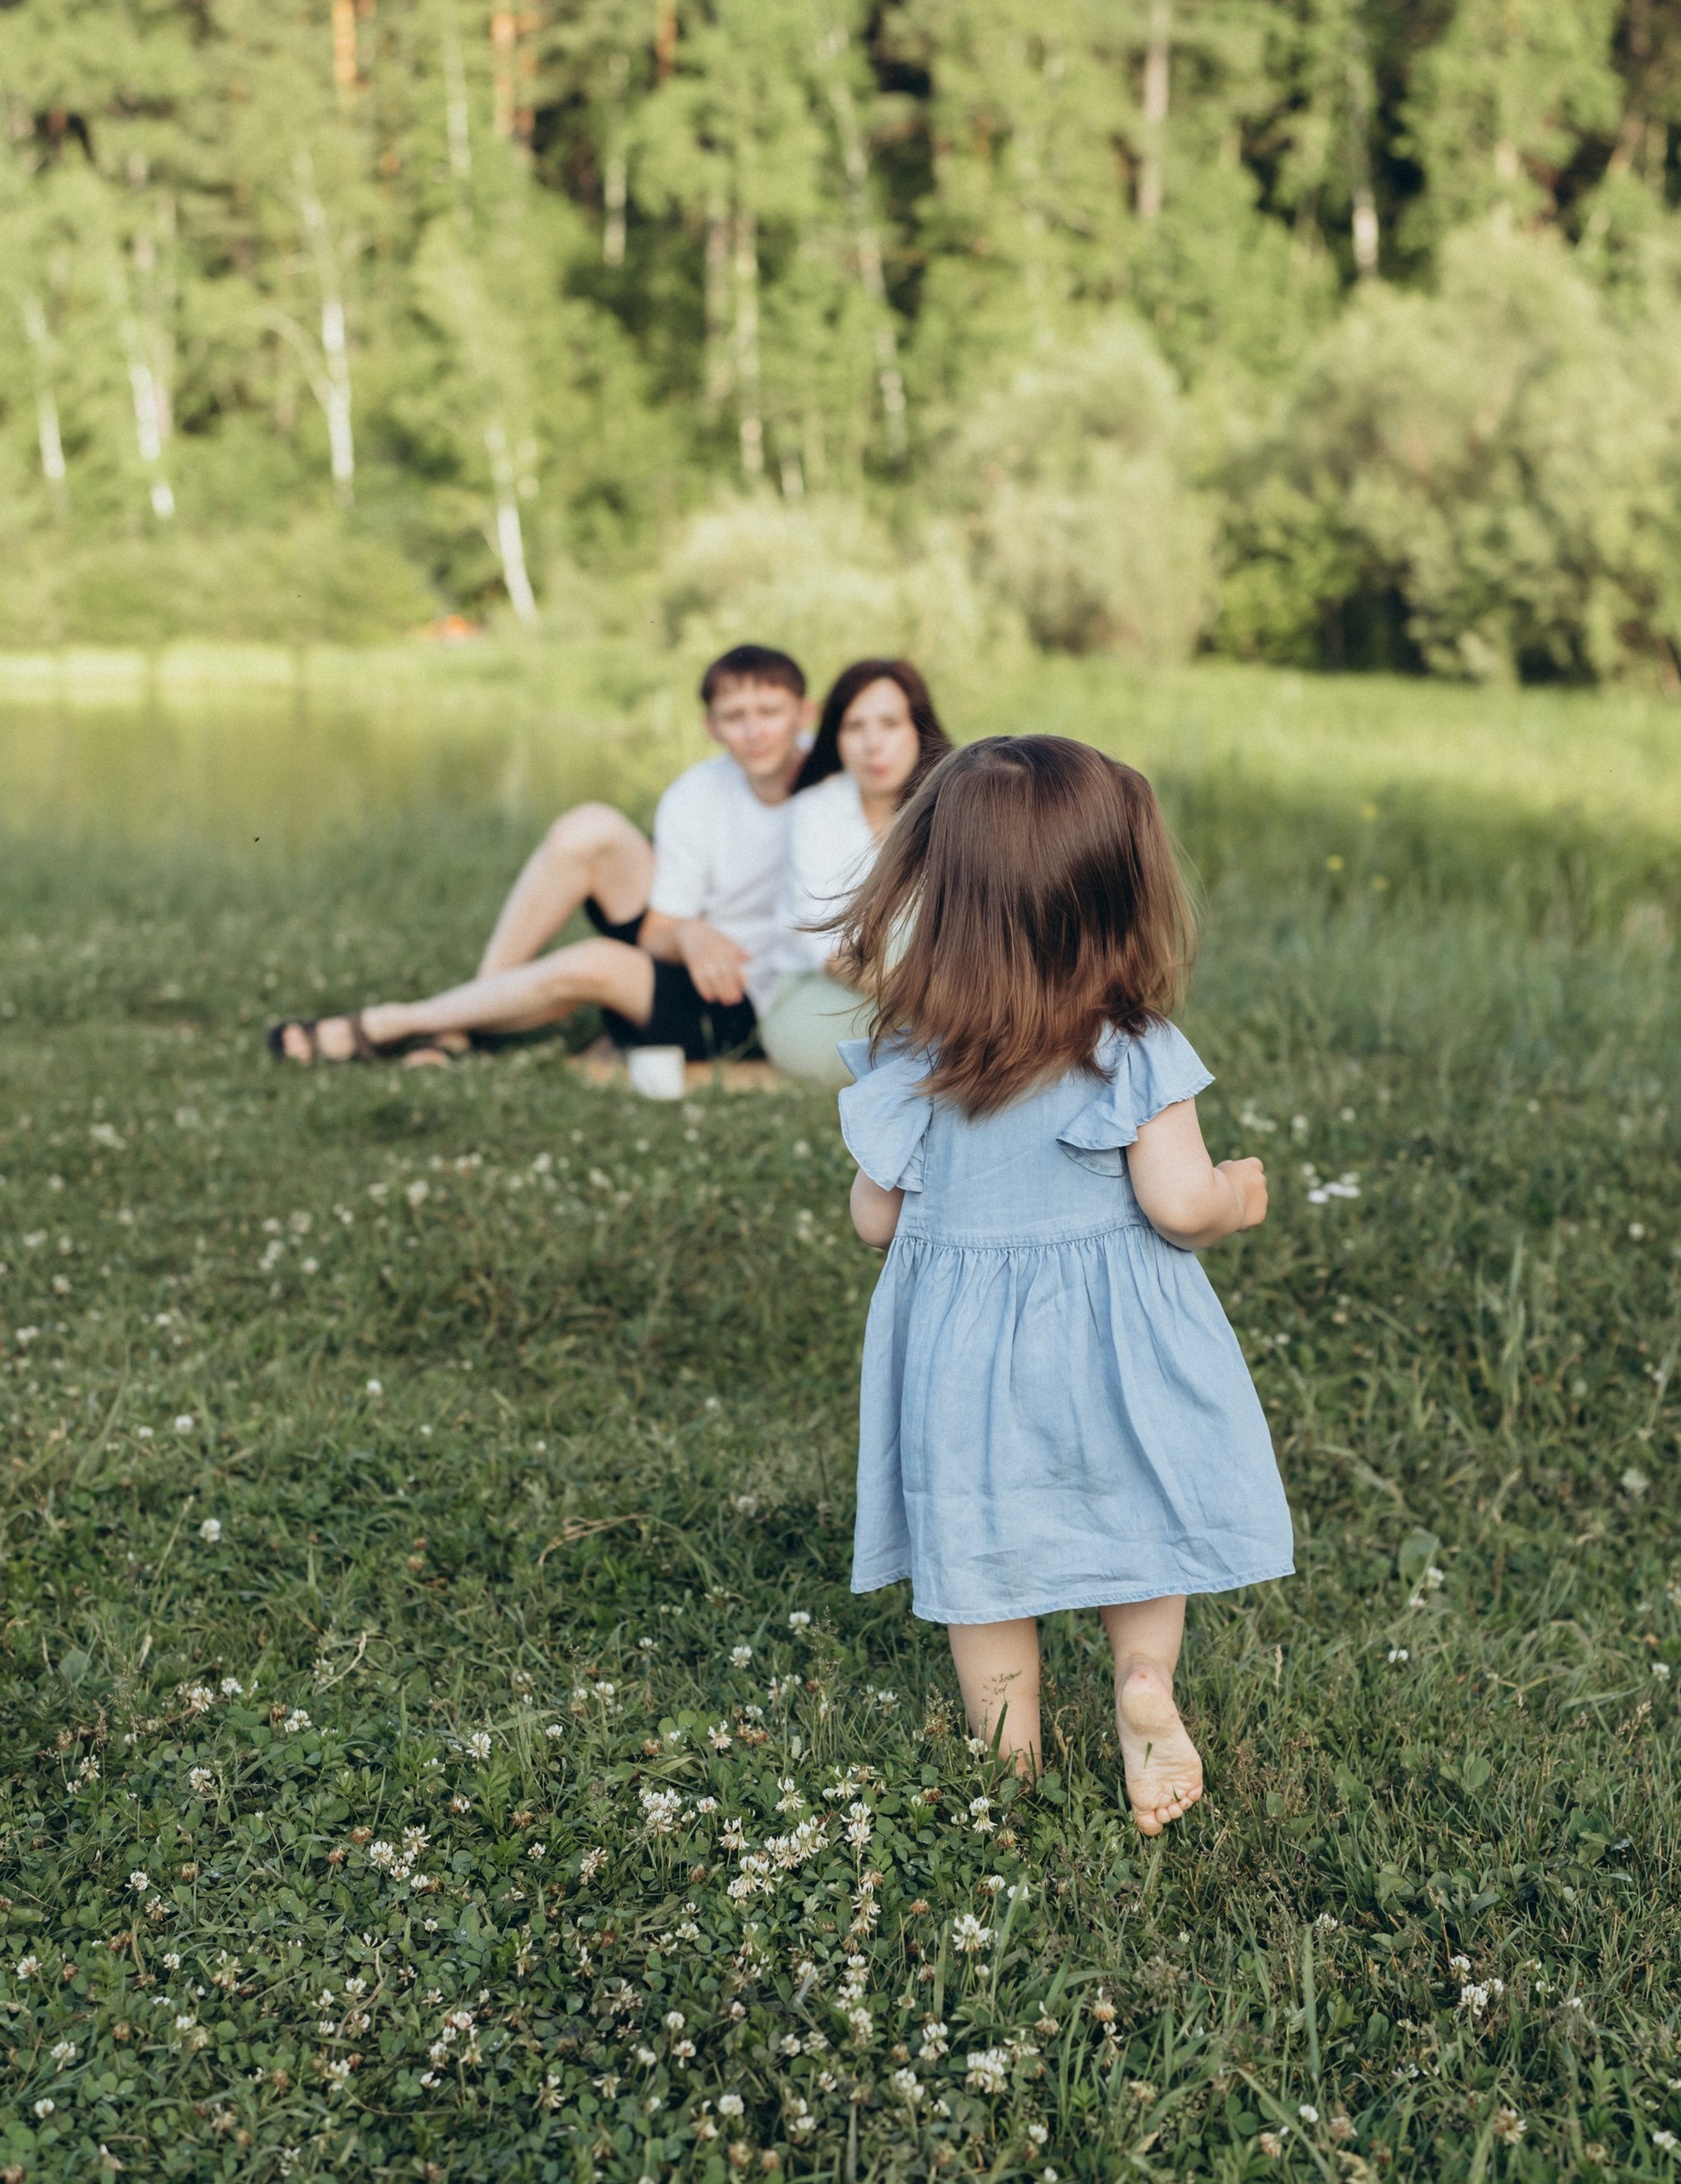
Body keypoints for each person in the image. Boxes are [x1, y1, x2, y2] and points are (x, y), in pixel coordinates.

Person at [833, 734, 1292, 1831]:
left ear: (939, 899)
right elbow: (1177, 1203)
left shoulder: (916, 1054)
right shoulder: (1132, 1046)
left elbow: (871, 1216)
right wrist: (1235, 1194)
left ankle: (1011, 1760)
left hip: (963, 1359)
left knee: (979, 1551)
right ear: (1111, 897)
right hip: (1115, 1346)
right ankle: (1141, 1681)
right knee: (1136, 1511)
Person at [265, 644, 807, 1071]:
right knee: (587, 828)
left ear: (805, 715)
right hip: (694, 968)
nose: (755, 731)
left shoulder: (840, 788)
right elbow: (658, 930)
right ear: (710, 727)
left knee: (592, 961)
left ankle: (391, 1023)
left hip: (758, 1001)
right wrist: (689, 934)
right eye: (735, 716)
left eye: (770, 712)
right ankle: (462, 1021)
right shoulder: (698, 792)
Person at [756, 658, 951, 1088]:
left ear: (918, 729)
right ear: (836, 740)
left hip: (937, 990)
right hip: (829, 992)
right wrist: (934, 1004)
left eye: (889, 724)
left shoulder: (953, 808)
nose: (873, 744)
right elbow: (827, 948)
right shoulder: (814, 810)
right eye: (854, 727)